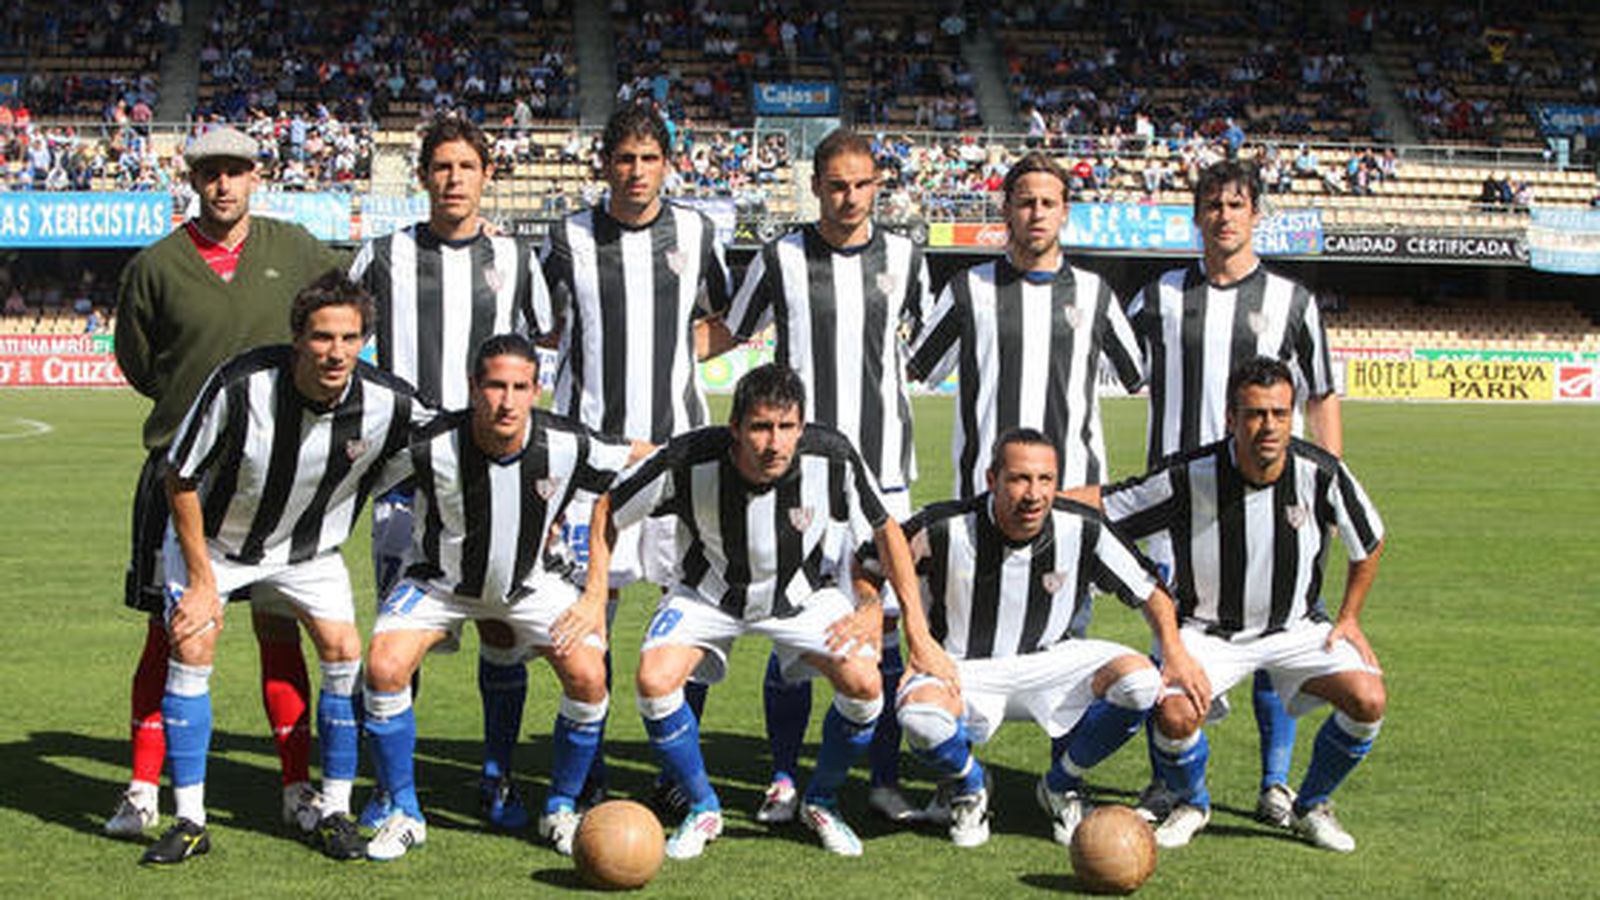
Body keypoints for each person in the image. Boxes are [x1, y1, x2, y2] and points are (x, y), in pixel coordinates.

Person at [583, 364, 930, 859]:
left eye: (787, 427)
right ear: (735, 429)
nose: (775, 443)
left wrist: (895, 614)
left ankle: (822, 802)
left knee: (865, 684)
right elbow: (608, 510)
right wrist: (596, 595)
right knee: (654, 679)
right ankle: (702, 806)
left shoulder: (831, 456)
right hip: (707, 594)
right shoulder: (687, 458)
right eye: (761, 427)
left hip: (803, 597)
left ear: (802, 427)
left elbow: (886, 531)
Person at [139, 273, 425, 864]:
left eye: (349, 338)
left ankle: (335, 810)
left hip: (307, 550)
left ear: (363, 340)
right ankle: (190, 820)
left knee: (345, 651)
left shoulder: (388, 401)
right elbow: (180, 475)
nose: (336, 351)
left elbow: (453, 440)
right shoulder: (241, 385)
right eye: (322, 337)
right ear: (298, 338)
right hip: (217, 544)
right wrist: (199, 580)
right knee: (192, 643)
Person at [110, 126, 345, 839]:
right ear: (193, 180)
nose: (223, 184)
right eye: (210, 172)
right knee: (170, 633)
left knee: (281, 634)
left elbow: (349, 303)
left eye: (235, 171)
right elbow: (139, 361)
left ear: (256, 175)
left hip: (277, 480)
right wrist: (195, 419)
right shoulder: (156, 266)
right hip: (180, 477)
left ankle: (297, 788)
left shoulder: (296, 248)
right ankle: (144, 790)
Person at [704, 127, 933, 824]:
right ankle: (782, 776)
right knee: (793, 624)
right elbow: (731, 330)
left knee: (885, 628)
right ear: (816, 186)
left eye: (862, 185)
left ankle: (884, 779)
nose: (850, 198)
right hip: (799, 479)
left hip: (883, 473)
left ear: (878, 185)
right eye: (836, 185)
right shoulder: (780, 257)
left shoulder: (906, 257)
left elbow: (916, 347)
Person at [360, 334, 650, 861]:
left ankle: (560, 807)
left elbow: (642, 462)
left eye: (520, 387)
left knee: (588, 673)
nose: (507, 400)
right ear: (474, 388)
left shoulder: (565, 441)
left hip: (529, 585)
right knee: (383, 667)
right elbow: (353, 475)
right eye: (495, 385)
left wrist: (593, 595)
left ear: (537, 390)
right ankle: (404, 810)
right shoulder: (428, 444)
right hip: (438, 585)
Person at [348, 114, 552, 832]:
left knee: (501, 627)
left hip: (493, 474)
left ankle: (496, 776)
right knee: (399, 639)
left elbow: (541, 344)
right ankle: (389, 787)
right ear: (424, 175)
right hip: (405, 476)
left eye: (467, 166)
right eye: (442, 167)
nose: (454, 179)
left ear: (486, 174)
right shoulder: (380, 256)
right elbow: (343, 345)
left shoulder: (517, 259)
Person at [1124, 159, 1341, 830]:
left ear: (1256, 215)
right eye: (1213, 204)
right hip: (1177, 502)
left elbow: (1322, 396)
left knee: (1277, 635)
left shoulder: (1292, 302)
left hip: (1274, 501)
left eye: (1237, 204)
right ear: (1196, 216)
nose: (1224, 215)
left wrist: (1327, 490)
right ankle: (1175, 784)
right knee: (1175, 647)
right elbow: (1107, 365)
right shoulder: (1157, 295)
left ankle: (1276, 785)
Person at [864, 428, 1208, 848]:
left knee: (1141, 682)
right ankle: (971, 785)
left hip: (1052, 664)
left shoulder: (1082, 528)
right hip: (962, 668)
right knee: (919, 719)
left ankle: (1060, 784)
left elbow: (1149, 590)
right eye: (1019, 479)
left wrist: (1174, 653)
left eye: (1046, 479)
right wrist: (876, 614)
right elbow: (869, 562)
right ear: (992, 479)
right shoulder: (944, 527)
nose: (1034, 494)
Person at [1104, 357, 1386, 853]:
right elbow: (1110, 506)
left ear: (1293, 415)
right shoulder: (1192, 475)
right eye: (1255, 414)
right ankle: (1193, 802)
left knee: (1368, 699)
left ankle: (1311, 806)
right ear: (1231, 418)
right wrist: (1042, 498)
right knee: (1171, 712)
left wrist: (1349, 617)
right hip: (1209, 633)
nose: (1269, 425)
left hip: (1296, 629)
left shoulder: (1320, 472)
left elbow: (1370, 541)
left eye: (1279, 413)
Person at [541, 102, 732, 803]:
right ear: (604, 165)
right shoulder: (567, 239)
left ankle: (676, 776)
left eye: (649, 158)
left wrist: (673, 357)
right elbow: (544, 325)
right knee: (592, 615)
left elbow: (726, 321)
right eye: (624, 158)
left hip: (680, 457)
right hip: (592, 464)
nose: (636, 172)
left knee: (689, 605)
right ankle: (589, 770)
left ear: (668, 164)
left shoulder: (697, 230)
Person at [906, 150, 1143, 504]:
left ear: (1065, 212)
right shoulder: (967, 290)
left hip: (1073, 495)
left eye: (1049, 203)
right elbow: (918, 370)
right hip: (985, 498)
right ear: (1006, 210)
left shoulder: (1095, 294)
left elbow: (1135, 376)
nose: (1038, 213)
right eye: (1026, 202)